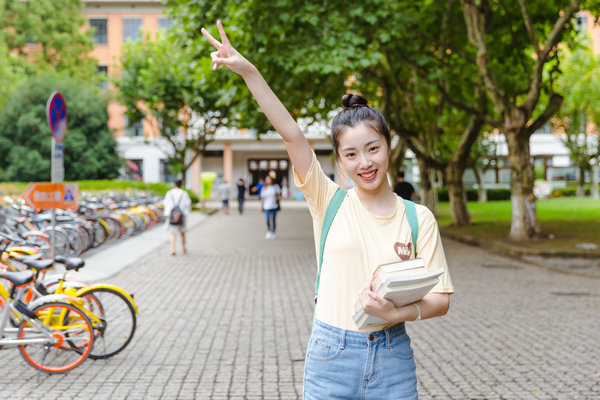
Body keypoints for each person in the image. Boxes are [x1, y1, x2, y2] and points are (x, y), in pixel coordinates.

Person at [202, 22, 453, 399]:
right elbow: (292, 134)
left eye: (373, 148)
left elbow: (441, 300)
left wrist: (395, 314)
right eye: (351, 154)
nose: (365, 162)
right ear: (339, 161)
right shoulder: (328, 199)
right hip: (330, 356)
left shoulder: (418, 218)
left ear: (389, 147)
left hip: (393, 357)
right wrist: (249, 71)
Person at [164, 179, 192, 256]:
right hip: (182, 216)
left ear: (174, 184)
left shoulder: (169, 193)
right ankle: (184, 248)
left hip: (172, 216)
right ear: (181, 185)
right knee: (182, 232)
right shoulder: (184, 193)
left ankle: (172, 249)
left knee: (173, 233)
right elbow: (188, 204)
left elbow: (166, 203)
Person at [260, 175, 281, 239]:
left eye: (269, 179)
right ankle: (269, 231)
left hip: (274, 206)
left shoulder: (275, 186)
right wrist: (261, 207)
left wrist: (276, 198)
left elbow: (279, 195)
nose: (268, 180)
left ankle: (273, 232)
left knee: (273, 220)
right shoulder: (264, 188)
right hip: (266, 206)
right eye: (267, 179)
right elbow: (262, 198)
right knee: (267, 219)